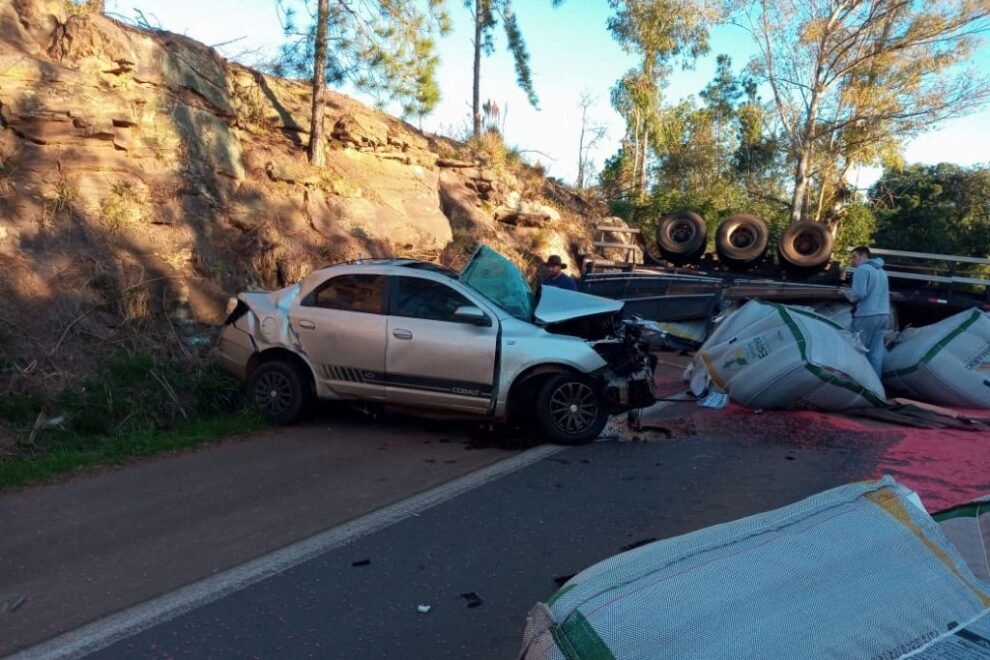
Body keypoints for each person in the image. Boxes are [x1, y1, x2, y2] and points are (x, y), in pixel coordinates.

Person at [844, 246, 890, 377]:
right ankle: (876, 386)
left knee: (857, 350)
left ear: (864, 256)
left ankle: (859, 382)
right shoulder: (882, 271)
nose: (852, 261)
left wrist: (846, 294)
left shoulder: (862, 270)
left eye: (854, 257)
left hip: (867, 316)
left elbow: (859, 294)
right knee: (876, 352)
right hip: (883, 315)